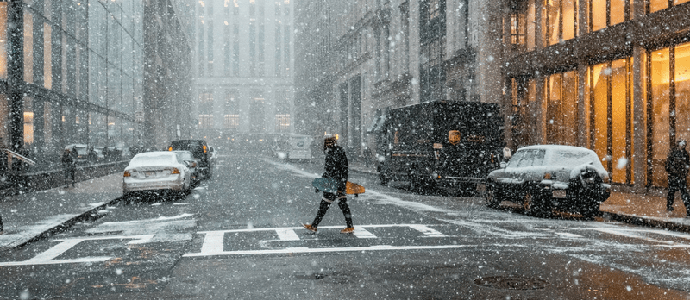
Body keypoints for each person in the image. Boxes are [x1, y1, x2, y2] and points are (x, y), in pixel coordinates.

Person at [303, 135, 354, 234]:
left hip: (335, 183)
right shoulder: (331, 153)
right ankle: (314, 225)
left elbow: (344, 170)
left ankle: (314, 226)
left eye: (329, 142)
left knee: (328, 205)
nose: (328, 145)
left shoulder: (339, 153)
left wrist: (342, 183)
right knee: (334, 204)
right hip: (331, 183)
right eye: (327, 143)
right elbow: (327, 171)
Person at [665, 140, 690, 216]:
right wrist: (675, 172)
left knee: (684, 192)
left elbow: (687, 164)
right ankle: (669, 205)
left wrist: (685, 171)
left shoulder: (685, 153)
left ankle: (688, 208)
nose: (684, 146)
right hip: (674, 176)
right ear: (678, 145)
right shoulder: (673, 153)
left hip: (681, 176)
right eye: (682, 144)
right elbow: (668, 165)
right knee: (671, 191)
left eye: (685, 144)